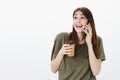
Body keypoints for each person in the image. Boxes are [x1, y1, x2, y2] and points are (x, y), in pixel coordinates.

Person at [51, 7, 106, 80]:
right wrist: (61, 52)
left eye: (82, 18)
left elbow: (95, 71)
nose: (78, 21)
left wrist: (89, 44)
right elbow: (53, 69)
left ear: (89, 22)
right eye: (75, 17)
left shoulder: (97, 40)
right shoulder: (61, 38)